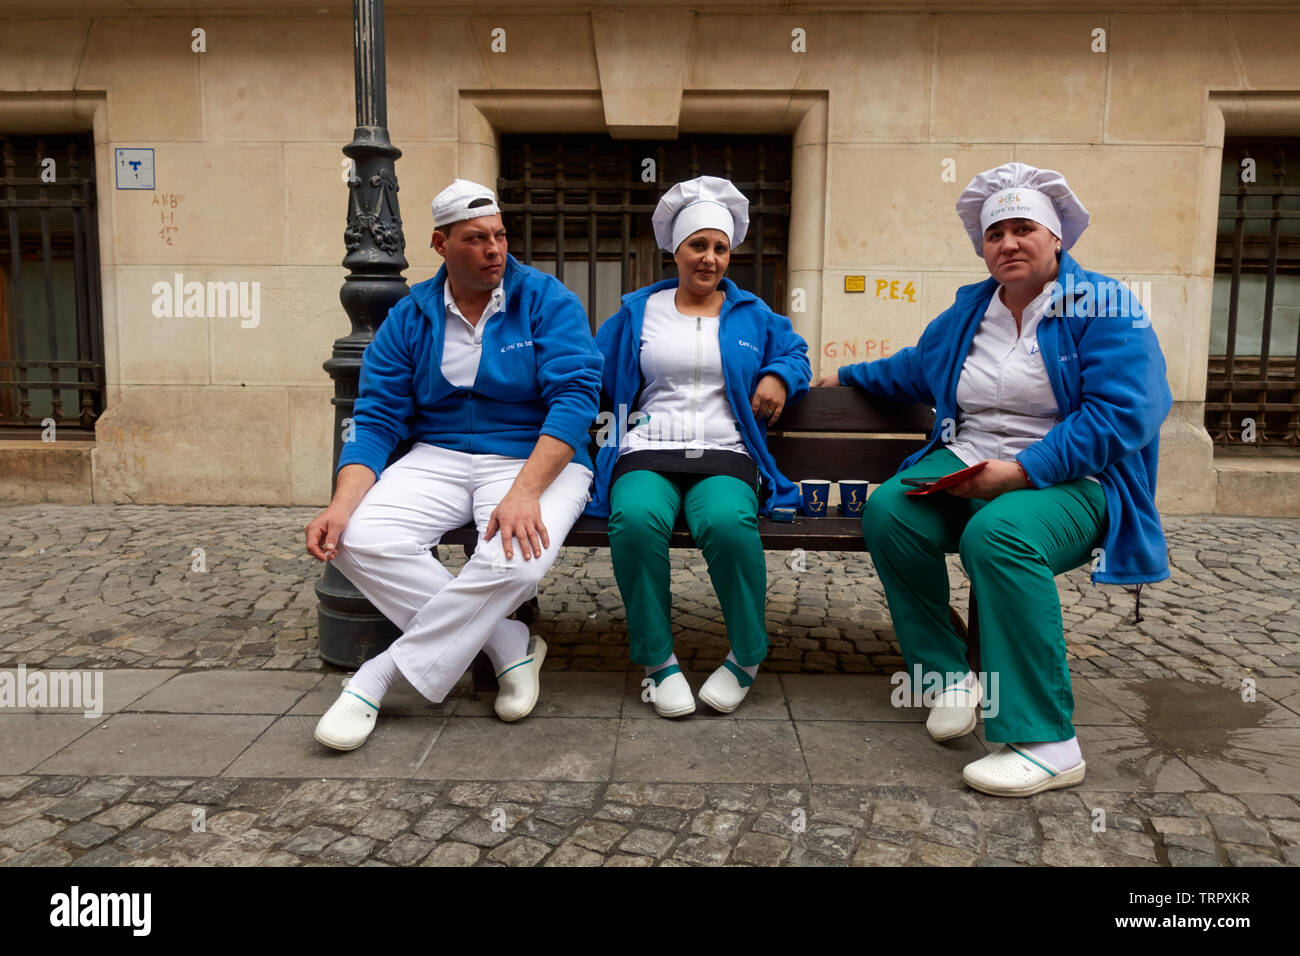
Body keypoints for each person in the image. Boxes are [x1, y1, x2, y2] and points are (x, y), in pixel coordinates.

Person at [815, 162, 1172, 796]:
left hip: (1075, 481)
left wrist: (1024, 470)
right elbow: (915, 368)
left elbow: (1126, 413)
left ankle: (1048, 741)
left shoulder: (1106, 305)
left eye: (1023, 228)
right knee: (890, 512)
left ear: (1057, 236)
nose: (1007, 243)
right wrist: (843, 377)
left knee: (999, 537)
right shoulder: (968, 310)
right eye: (994, 233)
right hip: (971, 460)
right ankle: (946, 675)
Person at [305, 179, 602, 751]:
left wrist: (523, 493)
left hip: (534, 456)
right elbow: (376, 418)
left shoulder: (545, 300)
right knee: (361, 537)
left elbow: (574, 400)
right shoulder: (410, 314)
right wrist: (341, 505)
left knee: (516, 564)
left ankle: (375, 678)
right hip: (437, 456)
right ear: (440, 245)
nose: (495, 250)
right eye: (476, 239)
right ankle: (508, 644)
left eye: (500, 235)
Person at [587, 176, 810, 717]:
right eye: (698, 246)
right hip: (647, 448)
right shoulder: (639, 312)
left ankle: (748, 655)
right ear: (676, 250)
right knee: (635, 520)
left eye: (720, 248)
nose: (709, 259)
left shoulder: (755, 315)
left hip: (726, 451)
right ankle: (658, 660)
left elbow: (797, 353)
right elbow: (589, 370)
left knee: (730, 525)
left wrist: (779, 374)